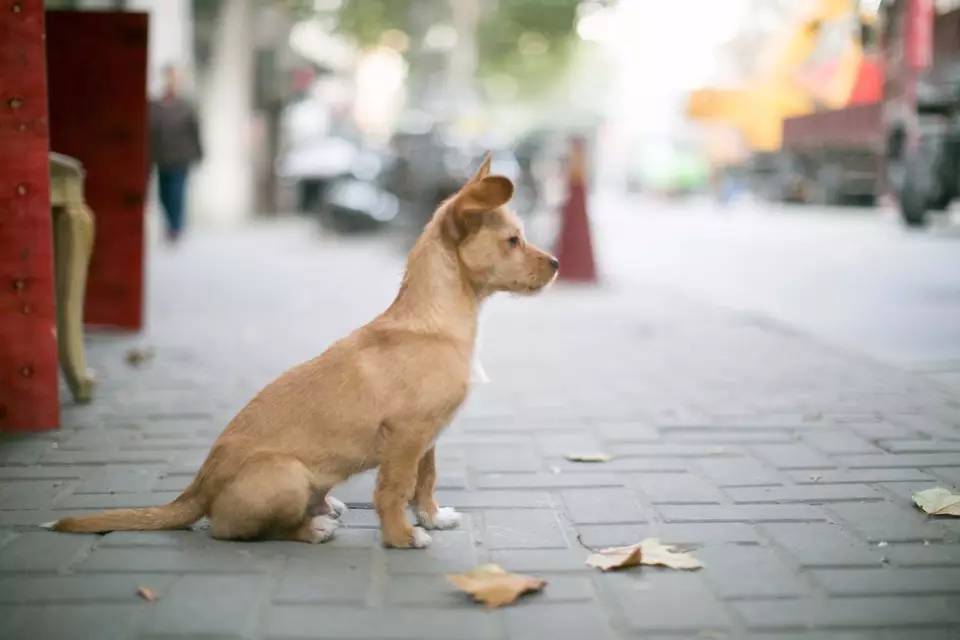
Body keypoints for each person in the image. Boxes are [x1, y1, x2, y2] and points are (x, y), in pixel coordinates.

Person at [150, 65, 203, 242]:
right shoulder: (155, 105)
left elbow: (195, 132)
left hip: (180, 157)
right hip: (161, 157)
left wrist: (199, 153)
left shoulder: (186, 106)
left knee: (177, 193)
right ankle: (171, 225)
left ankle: (176, 227)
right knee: (163, 194)